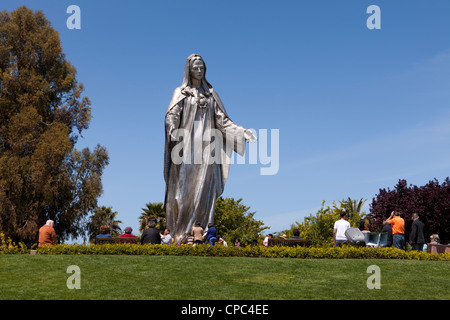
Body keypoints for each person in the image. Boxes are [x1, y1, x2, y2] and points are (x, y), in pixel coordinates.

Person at [164, 54, 257, 243]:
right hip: (185, 146)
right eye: (196, 68)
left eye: (202, 68)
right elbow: (171, 114)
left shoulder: (211, 94)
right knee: (182, 191)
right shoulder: (180, 92)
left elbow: (223, 121)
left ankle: (202, 231)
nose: (199, 71)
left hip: (207, 147)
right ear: (188, 70)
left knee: (204, 188)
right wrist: (172, 129)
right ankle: (180, 233)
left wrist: (242, 132)